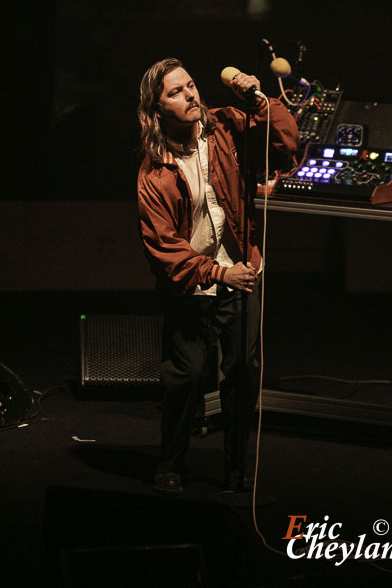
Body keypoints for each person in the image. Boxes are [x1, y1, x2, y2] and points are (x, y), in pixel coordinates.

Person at [137, 57, 299, 493]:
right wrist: (218, 274)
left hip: (242, 268)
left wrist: (260, 99)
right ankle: (169, 461)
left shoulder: (226, 127)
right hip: (193, 282)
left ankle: (237, 465)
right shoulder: (154, 173)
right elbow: (164, 248)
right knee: (185, 375)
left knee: (243, 370)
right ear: (157, 110)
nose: (189, 94)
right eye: (175, 92)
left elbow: (286, 144)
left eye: (190, 85)